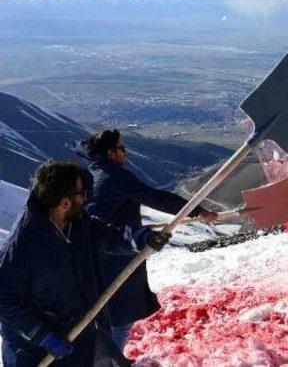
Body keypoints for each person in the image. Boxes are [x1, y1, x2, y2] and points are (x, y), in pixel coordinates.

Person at [0, 161, 170, 367]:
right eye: (82, 193)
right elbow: (6, 303)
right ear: (64, 203)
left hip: (82, 329)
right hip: (36, 349)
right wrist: (43, 336)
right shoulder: (23, 247)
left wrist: (140, 239)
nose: (86, 197)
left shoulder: (78, 221)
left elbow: (108, 236)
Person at [74, 129, 217, 352]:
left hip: (101, 253)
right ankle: (112, 361)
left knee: (109, 315)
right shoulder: (114, 177)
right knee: (120, 317)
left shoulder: (94, 172)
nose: (125, 152)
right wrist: (196, 210)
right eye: (121, 148)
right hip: (114, 255)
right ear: (110, 153)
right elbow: (154, 197)